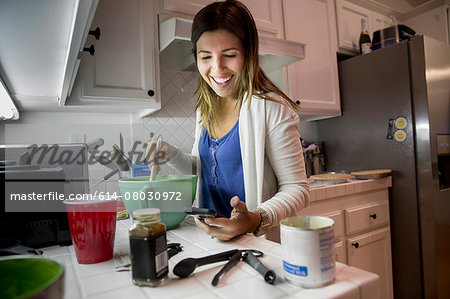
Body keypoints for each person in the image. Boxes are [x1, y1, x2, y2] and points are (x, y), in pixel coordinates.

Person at [147, 0, 309, 241]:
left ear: (248, 53)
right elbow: (201, 170)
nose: (217, 68)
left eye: (229, 55)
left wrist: (255, 218)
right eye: (206, 57)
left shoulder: (272, 108)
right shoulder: (206, 108)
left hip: (255, 244)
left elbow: (298, 189)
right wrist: (169, 153)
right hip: (210, 240)